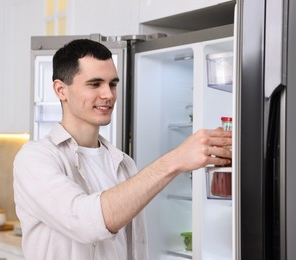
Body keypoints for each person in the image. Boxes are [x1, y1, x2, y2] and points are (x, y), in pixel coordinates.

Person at [13, 39, 232, 260]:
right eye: (95, 84)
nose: (108, 95)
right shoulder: (35, 158)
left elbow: (134, 249)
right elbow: (85, 222)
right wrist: (175, 160)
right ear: (61, 90)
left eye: (113, 84)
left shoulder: (123, 163)